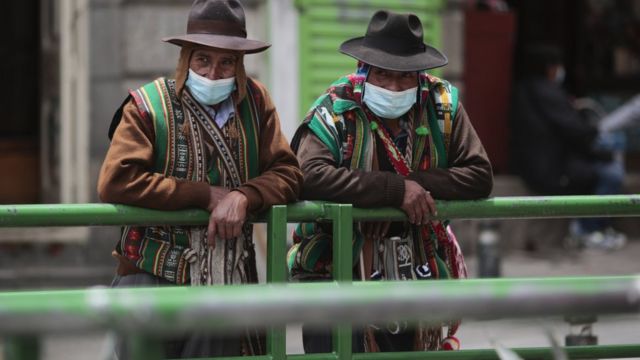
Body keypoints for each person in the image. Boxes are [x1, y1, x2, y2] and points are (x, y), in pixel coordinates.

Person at [97, 0, 302, 357]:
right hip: (149, 271)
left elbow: (288, 172)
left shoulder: (256, 102)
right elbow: (117, 179)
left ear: (239, 66)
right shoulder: (148, 106)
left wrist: (245, 196)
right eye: (202, 60)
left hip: (223, 277)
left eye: (226, 62)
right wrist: (202, 195)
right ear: (185, 60)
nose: (212, 73)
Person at [287, 10, 493, 353]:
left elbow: (479, 174)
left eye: (406, 77)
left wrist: (416, 184)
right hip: (336, 269)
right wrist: (395, 190)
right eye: (383, 75)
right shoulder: (335, 106)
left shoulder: (442, 104)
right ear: (364, 70)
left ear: (421, 74)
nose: (394, 87)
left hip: (416, 266)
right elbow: (308, 175)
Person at [509, 45, 626, 250]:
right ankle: (588, 230)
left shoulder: (525, 89)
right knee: (610, 174)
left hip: (535, 165)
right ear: (549, 68)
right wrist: (601, 153)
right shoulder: (547, 92)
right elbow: (574, 132)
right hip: (551, 169)